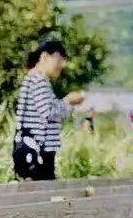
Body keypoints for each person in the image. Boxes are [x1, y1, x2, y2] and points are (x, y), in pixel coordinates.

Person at [13, 39, 84, 180]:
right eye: (59, 60)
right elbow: (48, 112)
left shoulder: (34, 79)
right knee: (44, 189)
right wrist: (68, 101)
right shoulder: (38, 80)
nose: (61, 65)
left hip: (35, 149)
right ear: (44, 57)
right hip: (39, 149)